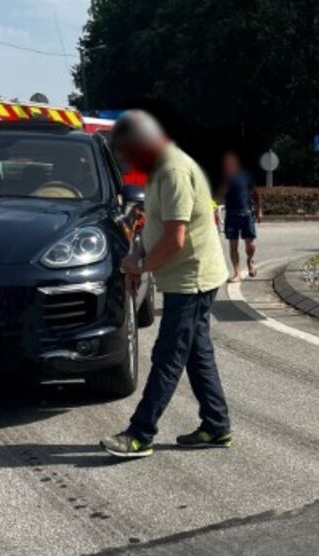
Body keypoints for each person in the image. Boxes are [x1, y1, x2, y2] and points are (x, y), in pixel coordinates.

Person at [100, 111, 232, 458]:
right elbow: (157, 225)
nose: (127, 161)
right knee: (197, 355)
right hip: (183, 277)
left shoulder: (173, 171)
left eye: (128, 153)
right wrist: (140, 247)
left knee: (168, 356)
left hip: (193, 280)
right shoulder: (159, 170)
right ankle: (216, 426)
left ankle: (140, 434)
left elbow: (175, 238)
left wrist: (140, 266)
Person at [220, 151, 262, 282]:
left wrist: (259, 211)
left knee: (250, 245)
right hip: (231, 215)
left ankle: (250, 261)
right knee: (233, 246)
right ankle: (237, 273)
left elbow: (256, 194)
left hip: (246, 214)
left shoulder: (246, 176)